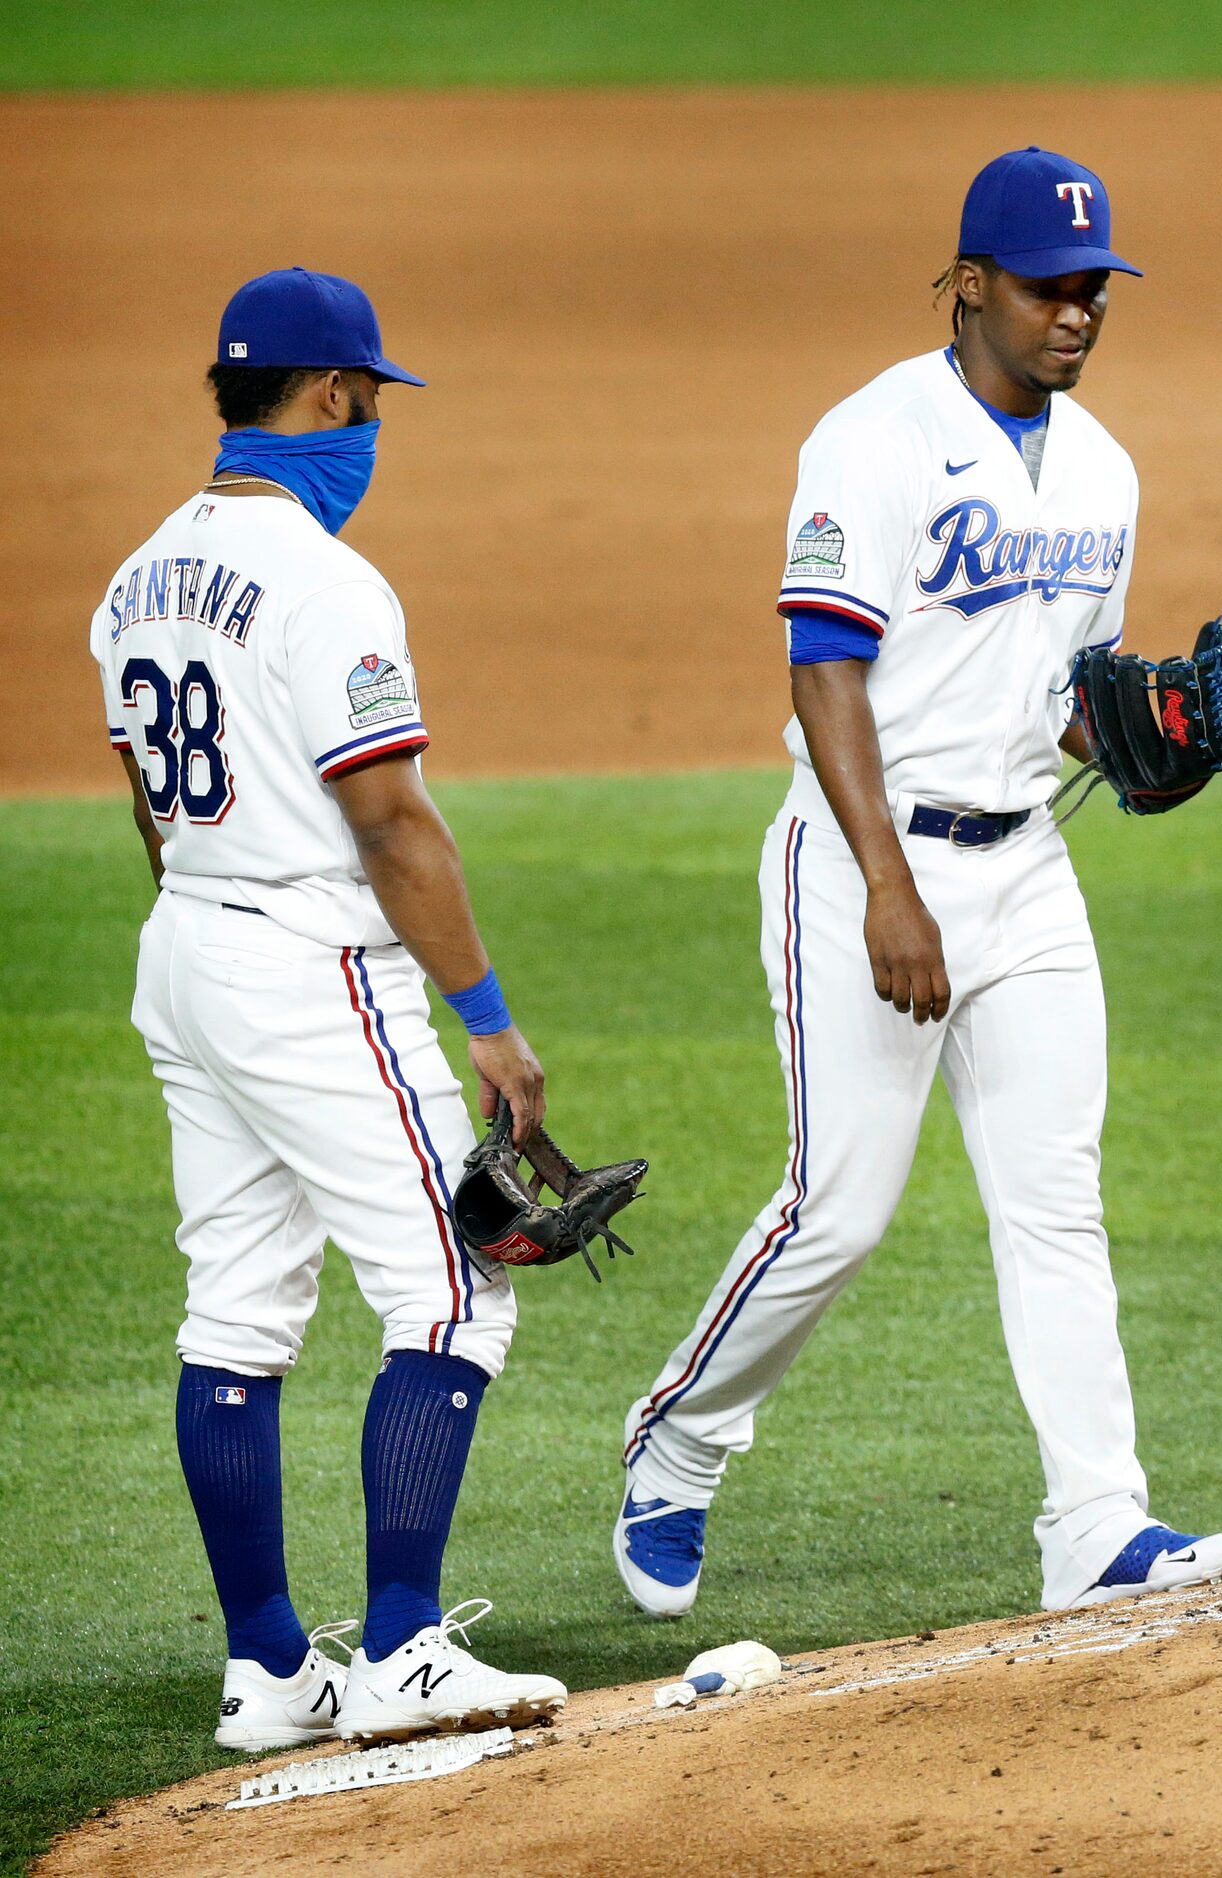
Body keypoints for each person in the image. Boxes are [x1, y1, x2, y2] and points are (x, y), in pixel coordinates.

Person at [614, 148, 1222, 1619]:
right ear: (970, 285)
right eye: (1047, 288)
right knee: (838, 1205)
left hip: (1026, 867)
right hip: (858, 863)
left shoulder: (1104, 467)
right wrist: (891, 888)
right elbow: (825, 662)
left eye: (1095, 290)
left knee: (1055, 1200)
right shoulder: (874, 439)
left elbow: (1061, 693)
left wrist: (1138, 743)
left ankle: (1096, 1521)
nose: (1076, 313)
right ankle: (682, 1435)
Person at [102, 268, 567, 1748]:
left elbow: (146, 809)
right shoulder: (328, 580)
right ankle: (411, 1650)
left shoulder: (135, 577)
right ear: (327, 397)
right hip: (309, 964)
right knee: (454, 1291)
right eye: (369, 399)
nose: (374, 427)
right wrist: (483, 1015)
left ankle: (267, 1669)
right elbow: (391, 818)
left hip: (186, 946)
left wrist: (220, 944)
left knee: (235, 1310)